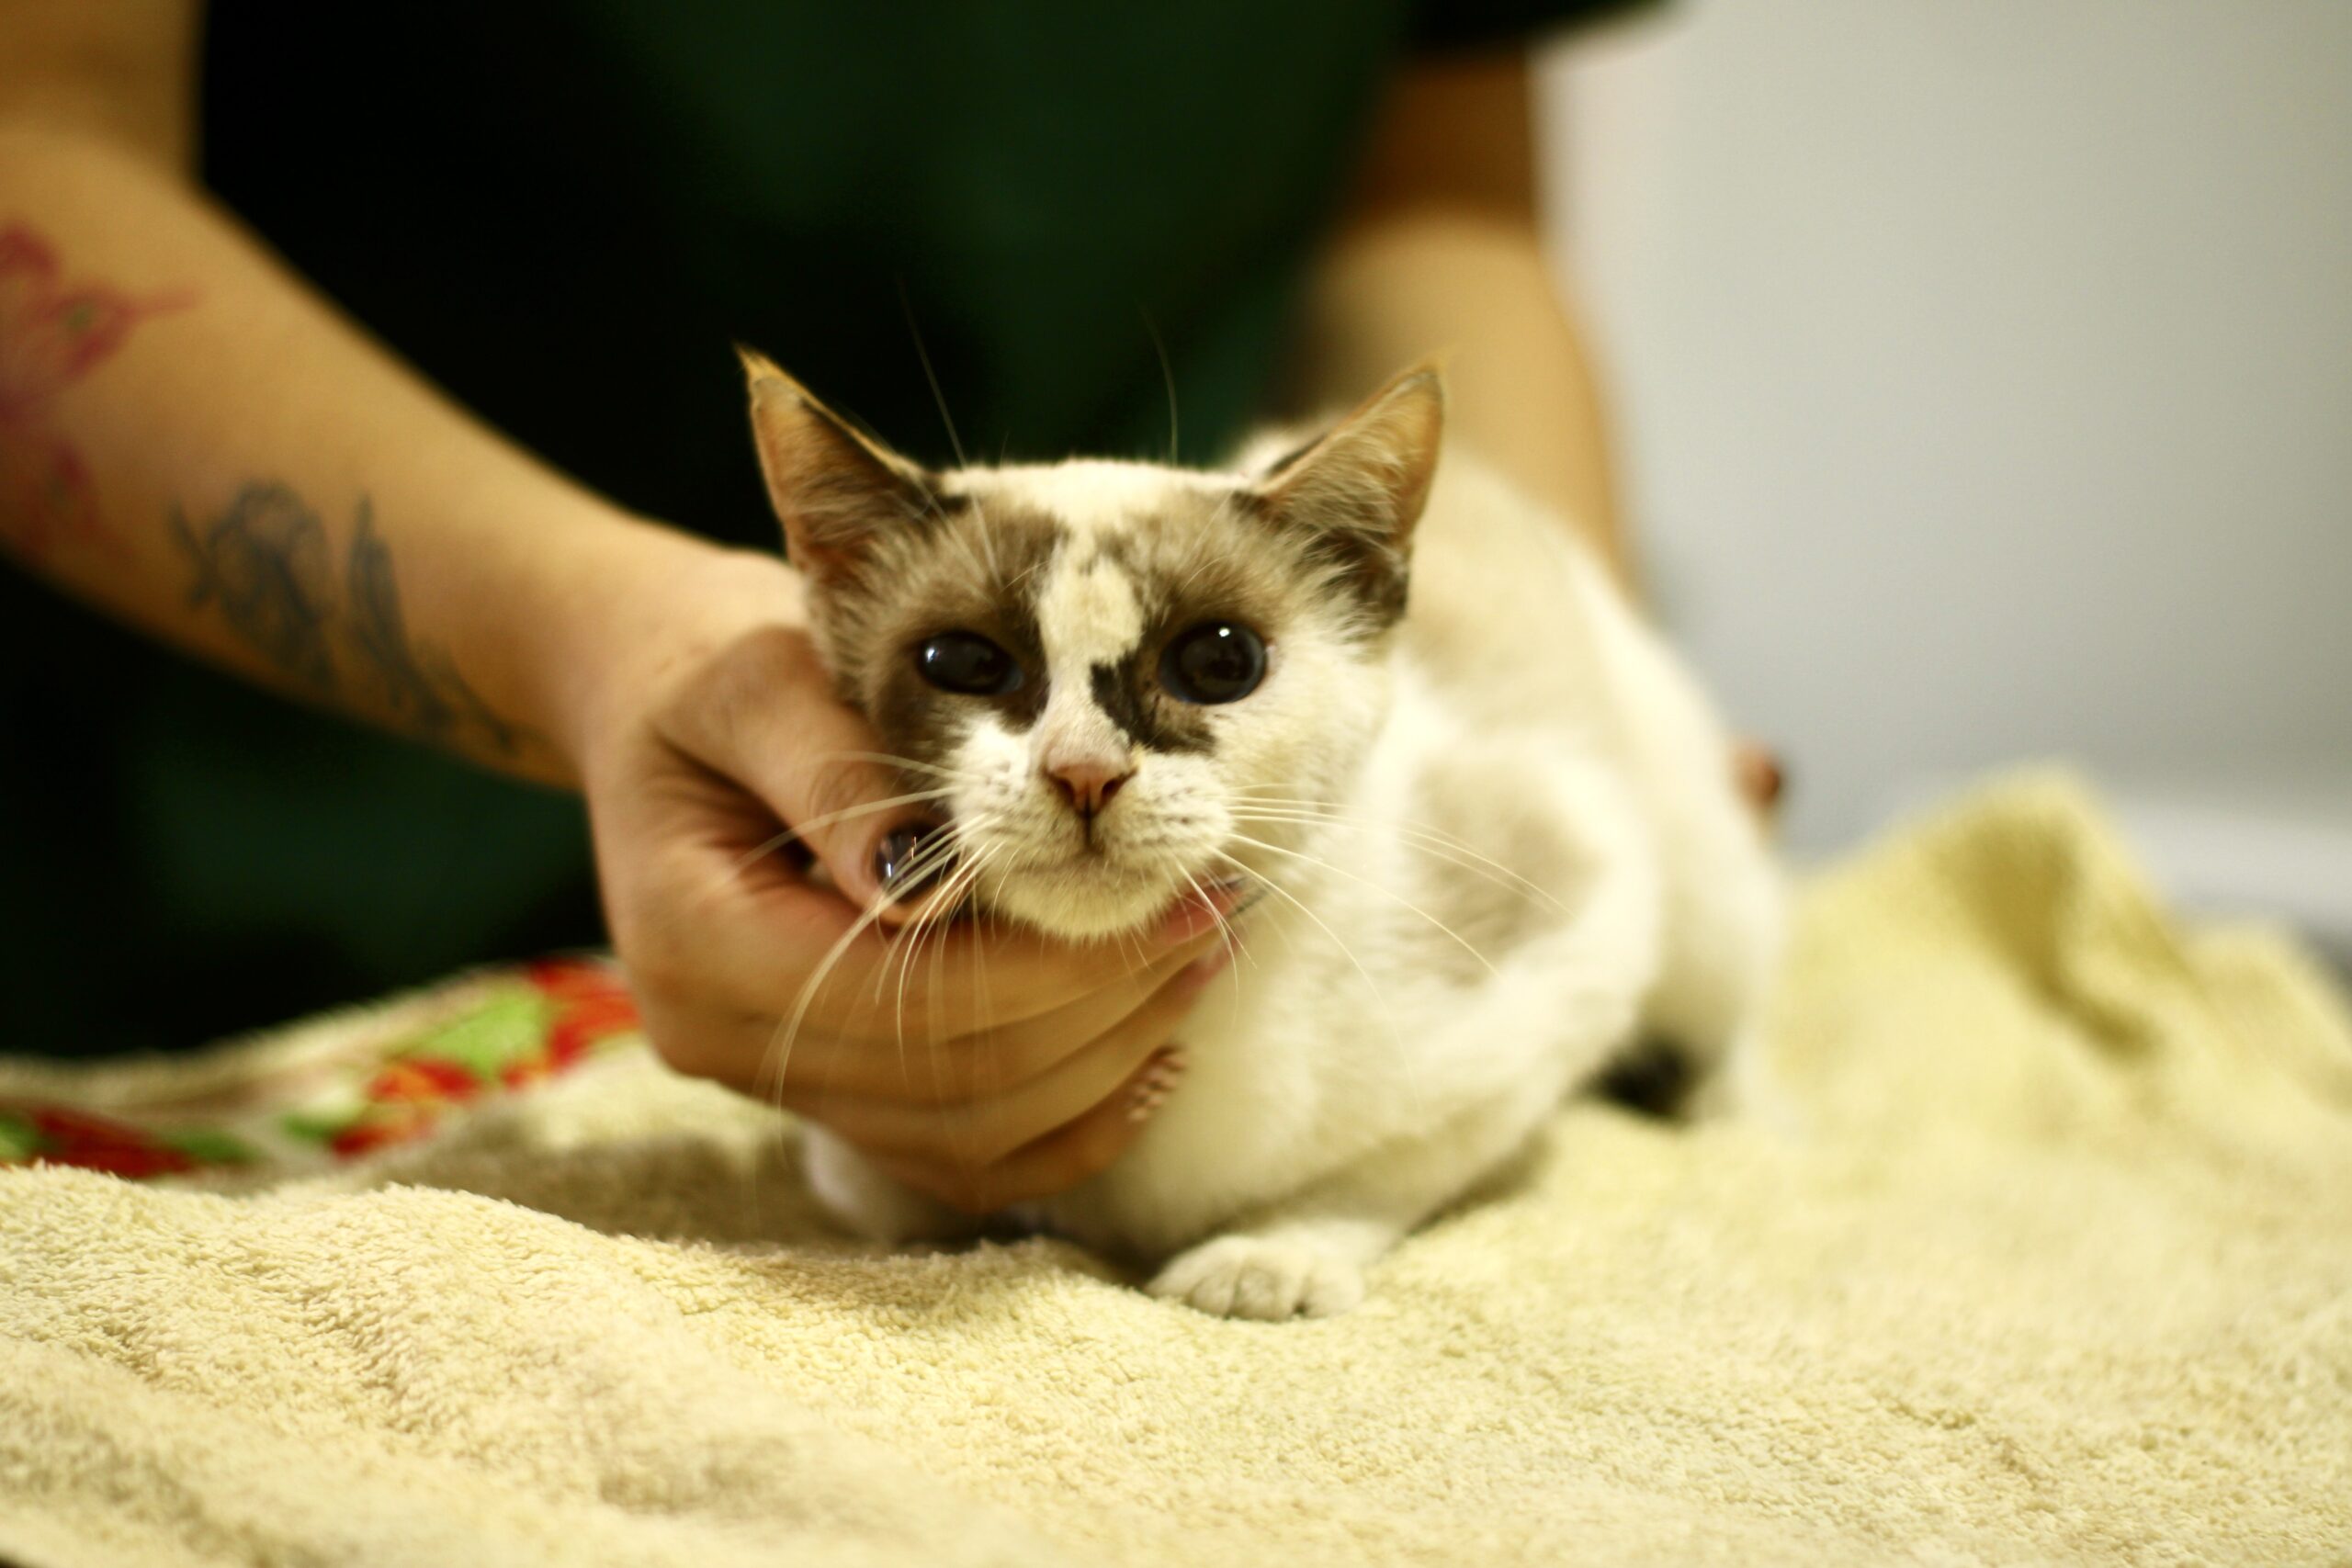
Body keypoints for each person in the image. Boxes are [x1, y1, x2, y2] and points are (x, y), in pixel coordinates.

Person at [0, 2, 1643, 1210]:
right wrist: (593, 643)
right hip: (221, 901)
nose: (1079, 760)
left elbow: (1439, 213)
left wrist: (1601, 673)